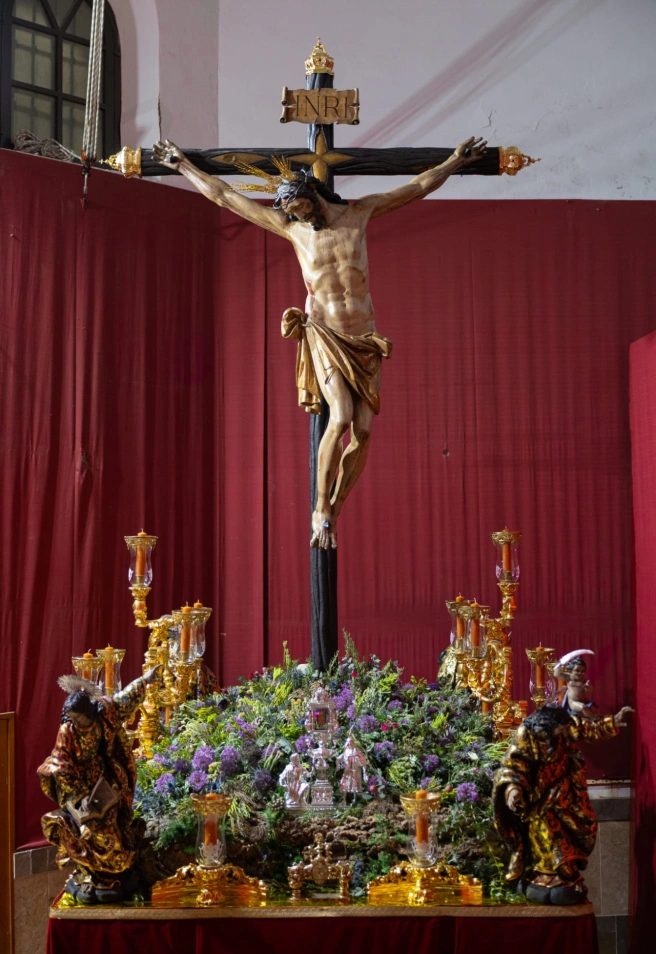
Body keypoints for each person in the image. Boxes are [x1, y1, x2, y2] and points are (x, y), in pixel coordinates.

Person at [153, 137, 486, 549]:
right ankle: (320, 508)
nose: (299, 216)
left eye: (301, 208)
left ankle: (335, 507)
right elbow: (226, 197)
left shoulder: (359, 213)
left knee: (364, 431)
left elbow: (415, 187)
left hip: (364, 337)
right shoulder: (292, 230)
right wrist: (183, 166)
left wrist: (453, 161)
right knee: (341, 417)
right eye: (292, 213)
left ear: (311, 194)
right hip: (325, 334)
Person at [37, 667, 161, 903]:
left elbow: (124, 699)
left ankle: (114, 869)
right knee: (88, 827)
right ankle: (91, 871)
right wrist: (80, 795)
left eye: (78, 718)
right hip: (75, 786)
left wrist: (145, 680)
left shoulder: (104, 712)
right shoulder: (67, 731)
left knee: (111, 821)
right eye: (70, 718)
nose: (74, 723)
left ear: (89, 712)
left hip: (104, 780)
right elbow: (61, 765)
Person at [493, 702, 633, 904]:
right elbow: (513, 764)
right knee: (544, 834)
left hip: (564, 792)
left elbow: (586, 728)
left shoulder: (564, 726)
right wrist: (513, 789)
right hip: (538, 797)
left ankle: (565, 874)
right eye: (561, 731)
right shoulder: (526, 734)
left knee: (572, 829)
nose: (565, 734)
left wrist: (613, 722)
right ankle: (553, 874)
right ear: (548, 727)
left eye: (566, 730)